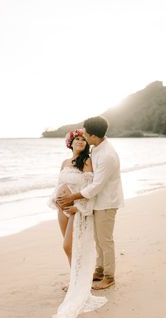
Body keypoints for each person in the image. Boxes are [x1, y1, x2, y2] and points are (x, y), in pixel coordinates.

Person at [57, 116, 124, 290]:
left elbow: (95, 186)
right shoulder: (97, 149)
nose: (83, 136)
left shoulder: (107, 155)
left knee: (105, 240)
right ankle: (100, 271)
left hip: (106, 202)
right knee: (98, 239)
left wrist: (72, 198)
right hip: (97, 202)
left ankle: (109, 277)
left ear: (94, 136)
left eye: (85, 134)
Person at [48, 129, 107, 318]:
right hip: (61, 209)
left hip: (76, 209)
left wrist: (77, 207)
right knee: (69, 249)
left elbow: (90, 190)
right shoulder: (65, 163)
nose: (80, 142)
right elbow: (59, 184)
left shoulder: (88, 162)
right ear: (70, 143)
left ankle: (80, 285)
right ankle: (74, 280)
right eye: (77, 139)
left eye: (83, 139)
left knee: (69, 245)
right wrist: (56, 201)